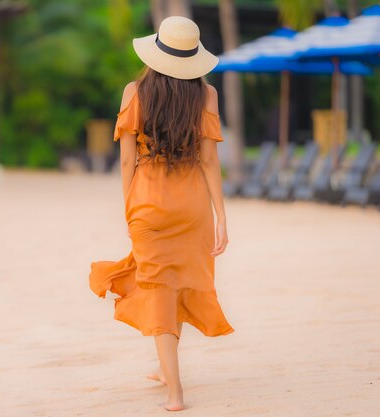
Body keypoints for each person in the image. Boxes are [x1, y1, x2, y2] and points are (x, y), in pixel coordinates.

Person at [89, 16, 234, 412]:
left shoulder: (134, 92)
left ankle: (176, 392)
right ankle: (163, 368)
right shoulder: (207, 97)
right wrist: (221, 215)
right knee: (179, 282)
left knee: (158, 288)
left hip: (149, 202)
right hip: (192, 207)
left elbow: (126, 162)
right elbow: (208, 161)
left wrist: (130, 209)